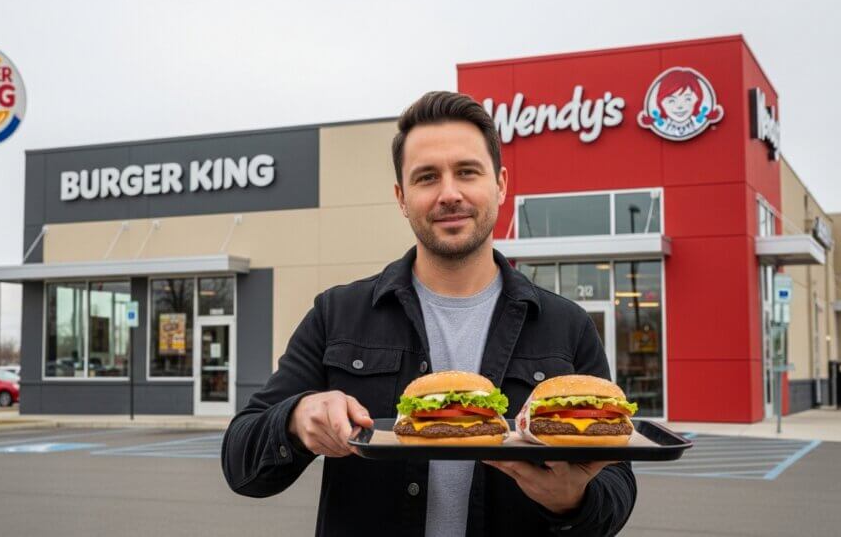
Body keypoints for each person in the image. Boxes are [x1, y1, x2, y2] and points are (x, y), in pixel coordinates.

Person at [221, 91, 637, 536]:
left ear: (499, 184)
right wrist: (296, 419)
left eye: (466, 172)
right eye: (426, 178)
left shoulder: (566, 325)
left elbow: (618, 486)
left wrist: (571, 501)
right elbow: (240, 462)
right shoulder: (336, 314)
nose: (449, 193)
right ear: (402, 197)